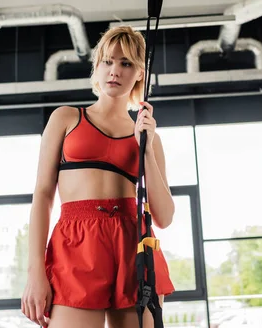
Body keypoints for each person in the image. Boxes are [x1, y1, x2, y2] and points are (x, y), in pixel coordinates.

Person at [21, 25, 175, 328]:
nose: (114, 71)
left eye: (126, 63)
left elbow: (165, 216)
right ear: (97, 66)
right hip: (75, 244)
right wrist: (35, 273)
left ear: (140, 73)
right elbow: (42, 195)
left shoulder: (149, 138)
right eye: (107, 61)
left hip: (133, 245)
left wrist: (145, 149)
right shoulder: (65, 118)